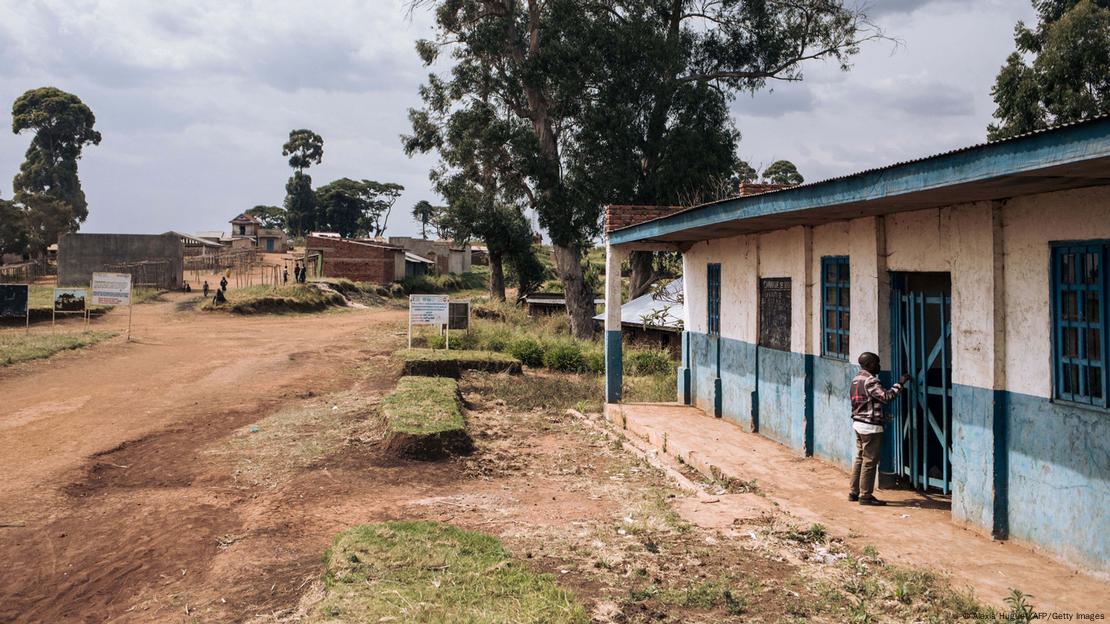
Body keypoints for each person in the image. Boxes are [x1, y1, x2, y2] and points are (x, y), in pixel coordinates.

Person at [849, 352, 911, 506]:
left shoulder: (856, 379)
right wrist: (900, 383)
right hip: (870, 427)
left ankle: (854, 492)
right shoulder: (870, 381)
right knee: (869, 462)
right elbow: (887, 397)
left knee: (860, 458)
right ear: (869, 364)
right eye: (877, 363)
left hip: (858, 424)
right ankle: (865, 496)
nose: (879, 366)